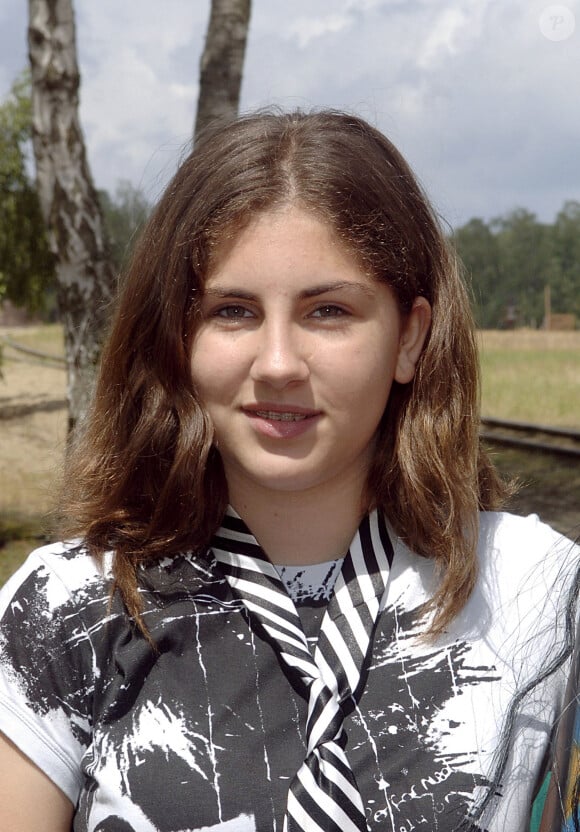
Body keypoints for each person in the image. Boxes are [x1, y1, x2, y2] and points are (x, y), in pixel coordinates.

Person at [0, 110, 578, 832]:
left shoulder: (538, 592)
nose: (277, 363)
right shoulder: (69, 607)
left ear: (409, 339)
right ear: (176, 338)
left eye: (328, 311)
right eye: (233, 311)